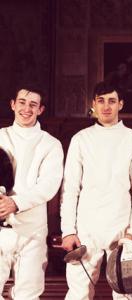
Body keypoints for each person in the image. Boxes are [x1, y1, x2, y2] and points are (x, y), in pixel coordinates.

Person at [60, 81, 132, 300]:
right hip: (86, 227)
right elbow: (70, 188)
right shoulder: (80, 139)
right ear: (93, 104)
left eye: (112, 101)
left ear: (121, 104)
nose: (106, 106)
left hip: (121, 226)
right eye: (101, 101)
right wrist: (68, 231)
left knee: (126, 294)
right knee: (78, 293)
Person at [0, 85, 64, 300]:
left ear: (40, 109)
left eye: (33, 104)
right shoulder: (0, 136)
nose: (26, 109)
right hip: (0, 229)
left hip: (32, 230)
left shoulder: (50, 144)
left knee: (28, 295)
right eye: (22, 102)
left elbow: (49, 185)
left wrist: (15, 203)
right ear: (13, 104)